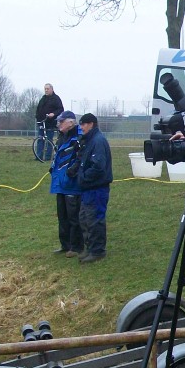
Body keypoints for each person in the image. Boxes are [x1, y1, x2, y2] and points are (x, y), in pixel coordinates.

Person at [69, 113, 113, 264]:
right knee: (85, 218)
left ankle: (98, 251)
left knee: (95, 219)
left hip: (97, 188)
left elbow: (98, 166)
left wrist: (83, 177)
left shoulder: (98, 141)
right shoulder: (89, 140)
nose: (81, 127)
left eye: (83, 124)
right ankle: (90, 248)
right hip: (88, 189)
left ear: (91, 124)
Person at [50, 110, 84, 257]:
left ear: (70, 122)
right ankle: (65, 245)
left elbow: (81, 157)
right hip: (60, 183)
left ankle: (76, 247)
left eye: (61, 121)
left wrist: (73, 170)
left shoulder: (79, 137)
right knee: (62, 216)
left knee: (73, 217)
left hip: (72, 184)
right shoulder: (61, 137)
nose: (59, 124)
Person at [34, 83, 64, 160]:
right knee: (40, 140)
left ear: (52, 89)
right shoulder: (43, 98)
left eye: (47, 89)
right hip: (42, 122)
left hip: (50, 123)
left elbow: (60, 109)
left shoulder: (56, 99)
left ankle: (48, 157)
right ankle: (39, 156)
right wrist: (37, 117)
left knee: (49, 140)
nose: (46, 90)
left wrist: (53, 114)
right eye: (45, 89)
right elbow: (38, 109)